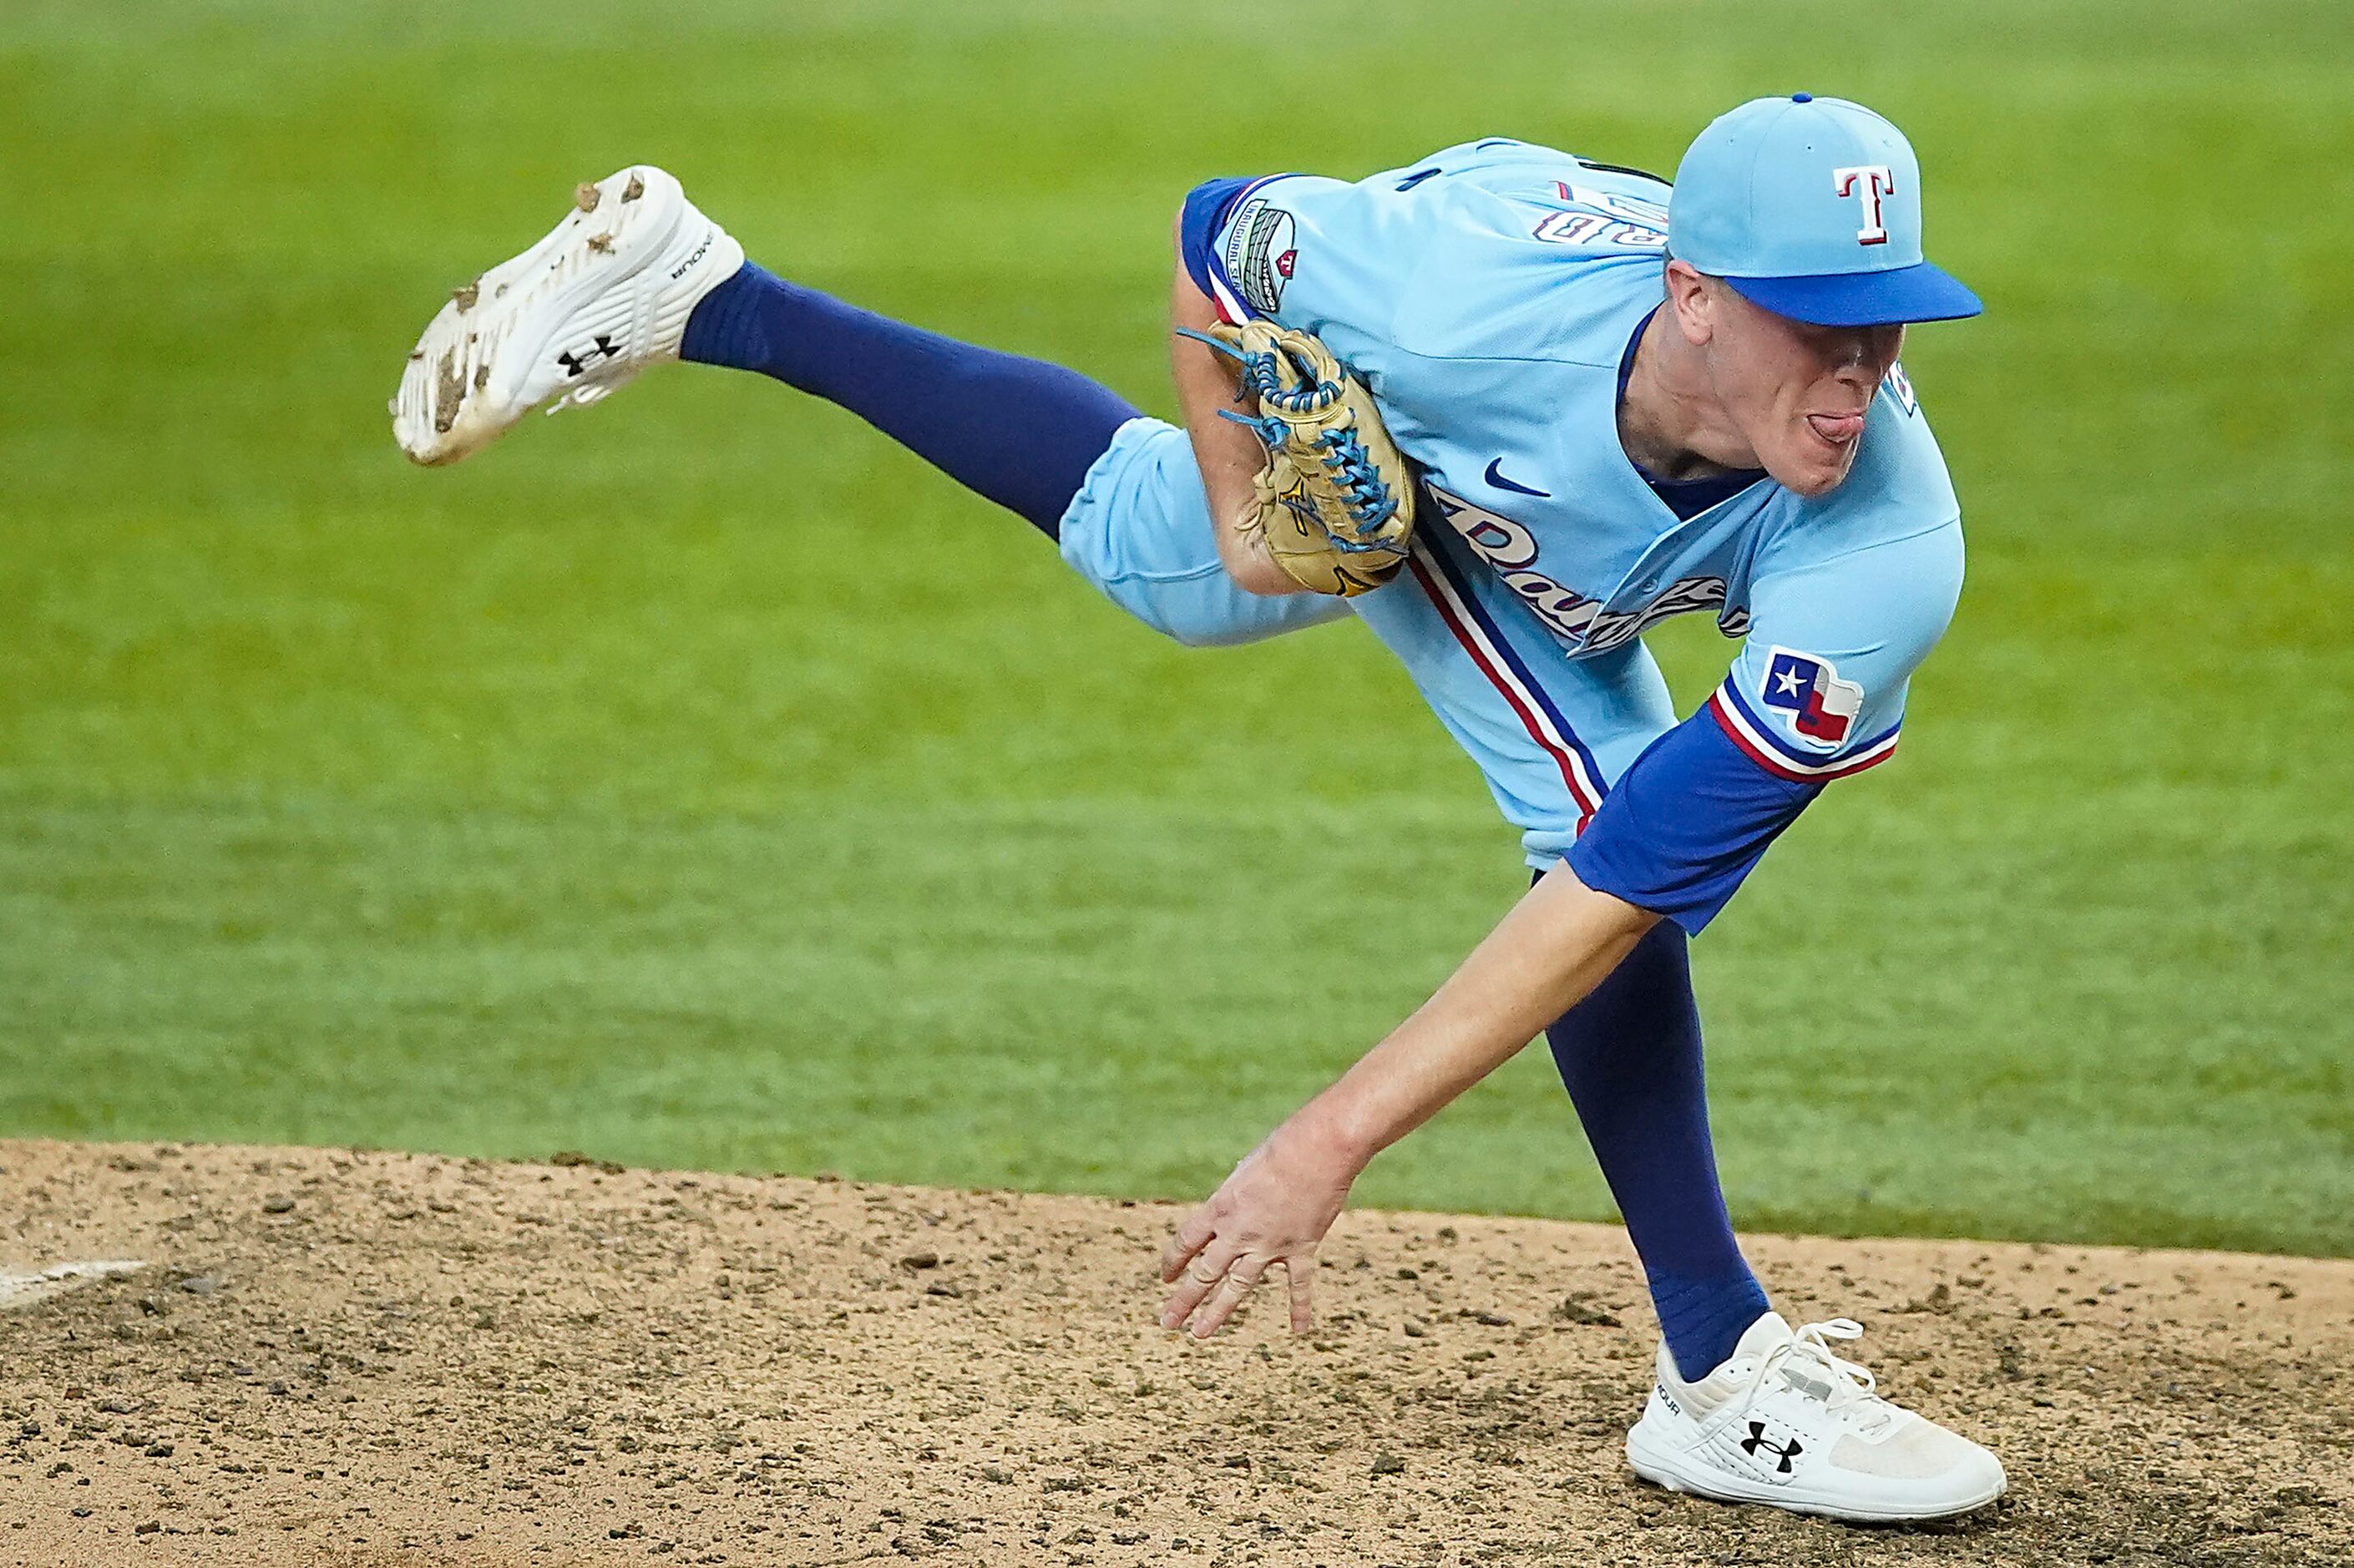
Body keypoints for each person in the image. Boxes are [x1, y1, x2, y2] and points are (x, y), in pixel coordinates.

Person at [392, 94, 2005, 1524]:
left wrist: (1331, 1132)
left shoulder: (1886, 551)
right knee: (1400, 677)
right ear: (1697, 297)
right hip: (1456, 405)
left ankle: (709, 295)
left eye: (1888, 328)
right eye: (1817, 327)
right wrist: (1250, 512)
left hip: (1549, 506)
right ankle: (1718, 1370)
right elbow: (1222, 233)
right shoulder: (1446, 298)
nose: (1857, 377)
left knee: (1155, 569)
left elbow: (1636, 878)